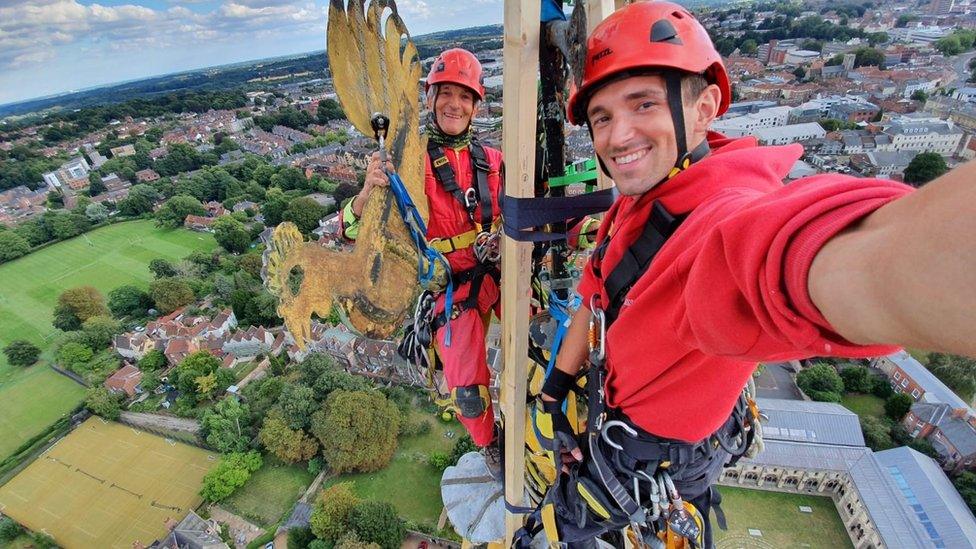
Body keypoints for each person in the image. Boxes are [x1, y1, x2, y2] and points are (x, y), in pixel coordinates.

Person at [534, 1, 976, 546]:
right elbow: (595, 296)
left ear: (705, 107)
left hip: (651, 456)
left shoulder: (724, 216)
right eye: (601, 116)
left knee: (552, 533)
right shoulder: (646, 194)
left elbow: (810, 255)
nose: (618, 135)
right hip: (639, 421)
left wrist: (893, 264)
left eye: (642, 103)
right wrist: (555, 389)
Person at [341, 48, 504, 464]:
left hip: (500, 270)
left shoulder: (494, 162)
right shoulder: (409, 165)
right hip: (451, 286)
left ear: (476, 105)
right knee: (467, 388)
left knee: (553, 334)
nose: (455, 104)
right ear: (430, 100)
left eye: (464, 96)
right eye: (445, 93)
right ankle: (491, 448)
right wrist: (368, 192)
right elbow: (350, 231)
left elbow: (525, 212)